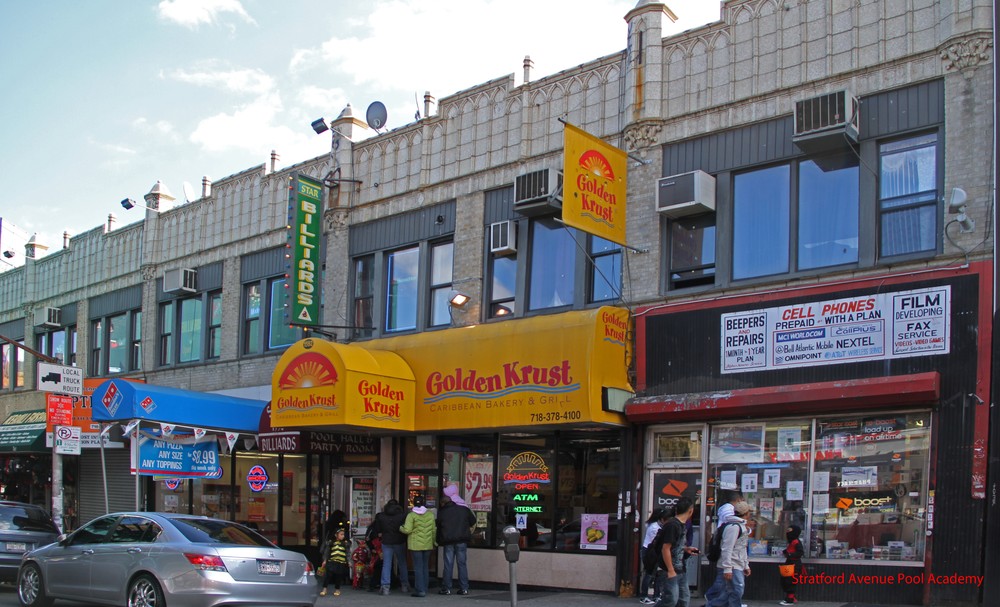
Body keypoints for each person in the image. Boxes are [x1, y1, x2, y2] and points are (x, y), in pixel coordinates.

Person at [705, 501, 751, 607]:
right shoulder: (734, 527)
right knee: (737, 590)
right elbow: (727, 548)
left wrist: (745, 565)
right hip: (732, 565)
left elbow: (742, 548)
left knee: (731, 591)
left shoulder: (740, 526)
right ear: (746, 513)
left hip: (737, 564)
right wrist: (727, 568)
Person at [653, 498, 698, 607]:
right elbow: (665, 548)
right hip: (668, 569)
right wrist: (670, 570)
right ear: (690, 510)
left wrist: (686, 549)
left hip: (680, 568)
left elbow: (675, 545)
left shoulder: (681, 525)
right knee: (671, 600)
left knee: (683, 600)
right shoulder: (672, 525)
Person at [436, 483, 477, 595]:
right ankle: (464, 588)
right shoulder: (463, 509)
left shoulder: (443, 512)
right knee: (462, 564)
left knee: (448, 564)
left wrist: (438, 540)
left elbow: (438, 526)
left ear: (444, 503)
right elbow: (473, 521)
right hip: (462, 540)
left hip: (448, 541)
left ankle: (446, 588)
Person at [401, 494, 436, 598]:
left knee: (418, 567)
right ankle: (424, 588)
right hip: (428, 544)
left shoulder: (411, 515)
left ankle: (420, 590)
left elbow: (407, 530)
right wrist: (434, 542)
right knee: (425, 567)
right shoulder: (430, 515)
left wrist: (400, 528)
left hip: (415, 545)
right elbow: (433, 530)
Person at [373, 499, 410, 595]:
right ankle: (405, 585)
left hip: (386, 541)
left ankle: (385, 587)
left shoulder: (381, 516)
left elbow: (378, 529)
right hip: (399, 541)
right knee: (402, 563)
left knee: (386, 564)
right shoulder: (403, 515)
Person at [639, 508, 669, 605]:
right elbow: (656, 542)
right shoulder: (654, 527)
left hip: (653, 551)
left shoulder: (655, 525)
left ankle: (656, 596)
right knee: (649, 573)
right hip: (649, 552)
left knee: (658, 574)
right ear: (661, 518)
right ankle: (644, 596)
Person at [320, 527, 350, 597]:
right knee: (328, 575)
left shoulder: (345, 543)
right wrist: (324, 560)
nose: (343, 536)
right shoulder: (331, 542)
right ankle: (324, 589)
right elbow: (327, 552)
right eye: (341, 534)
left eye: (343, 535)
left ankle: (337, 589)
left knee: (338, 576)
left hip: (341, 562)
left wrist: (349, 561)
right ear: (336, 535)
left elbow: (347, 553)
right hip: (332, 561)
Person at [779, 525, 804, 605]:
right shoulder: (792, 542)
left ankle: (790, 599)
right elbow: (790, 550)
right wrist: (785, 552)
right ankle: (791, 597)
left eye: (789, 531)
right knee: (786, 581)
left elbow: (800, 552)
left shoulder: (796, 542)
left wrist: (790, 555)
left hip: (794, 564)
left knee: (790, 581)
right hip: (789, 563)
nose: (787, 533)